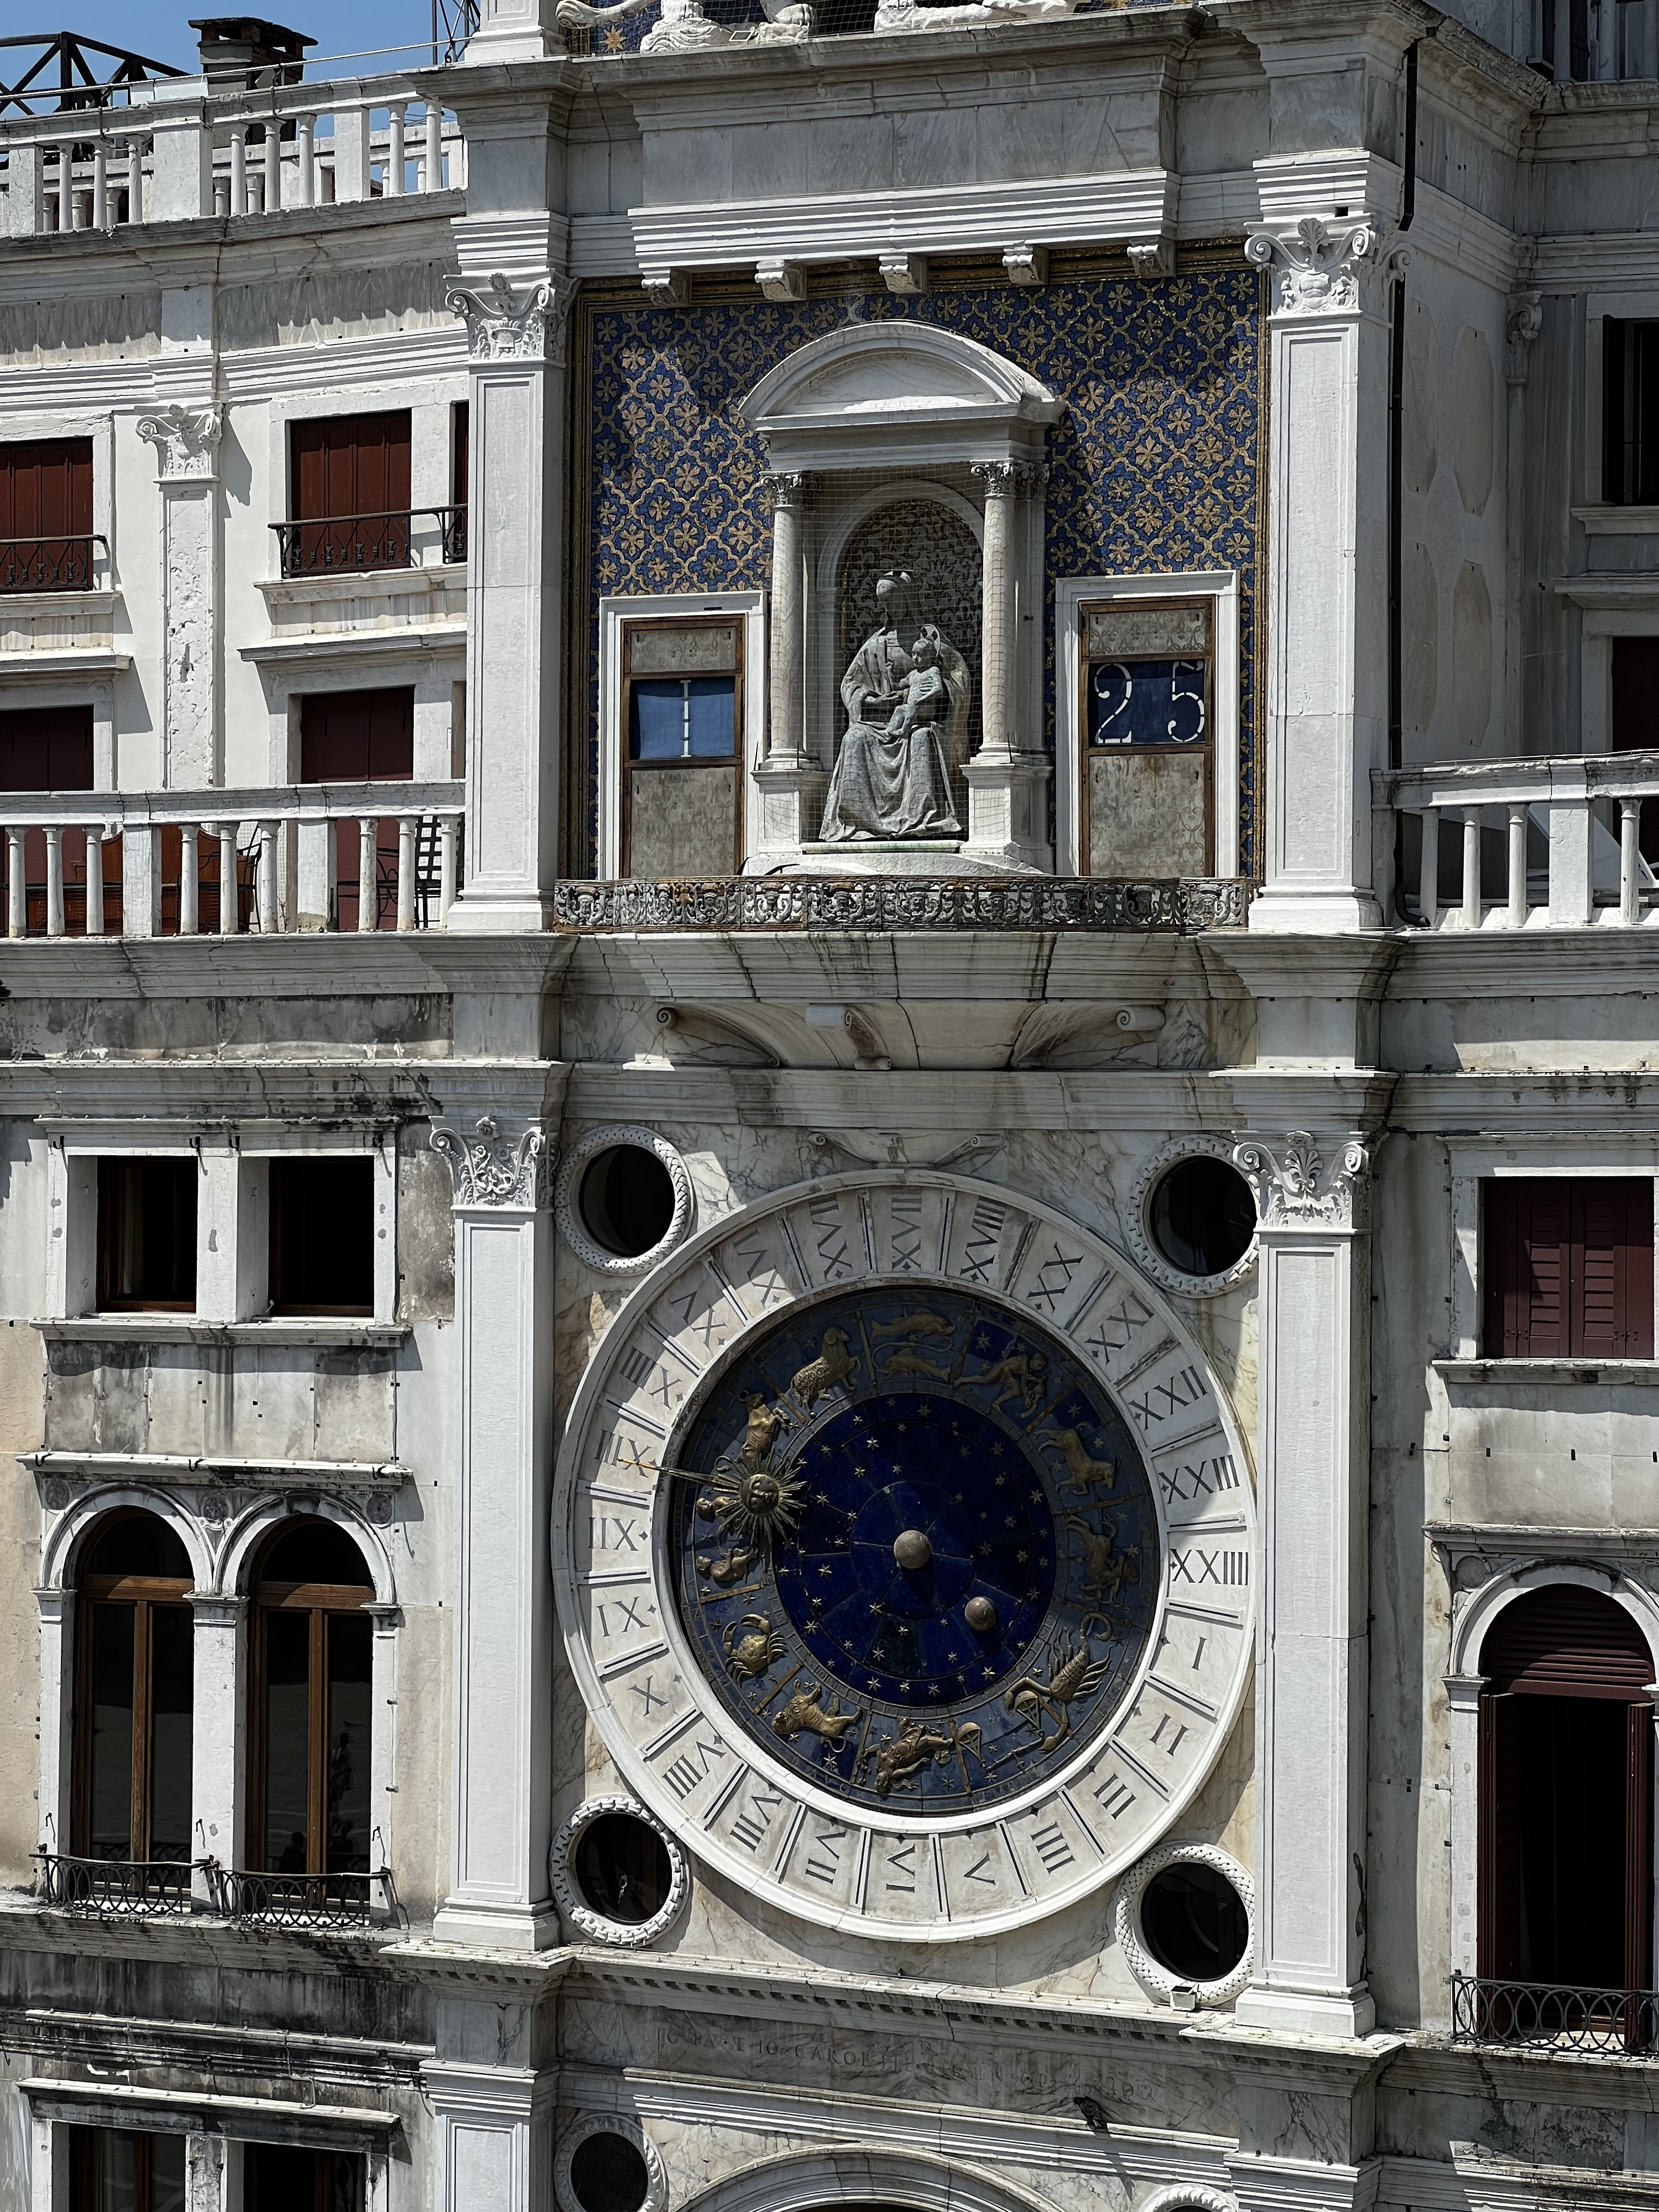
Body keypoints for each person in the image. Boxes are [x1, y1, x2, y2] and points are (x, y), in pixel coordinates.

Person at [819, 572, 969, 842]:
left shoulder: (932, 639)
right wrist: (873, 701)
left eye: (893, 600)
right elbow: (850, 683)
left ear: (908, 599)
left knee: (922, 737)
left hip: (923, 720)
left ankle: (924, 820)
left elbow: (959, 678)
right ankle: (862, 822)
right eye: (884, 602)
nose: (889, 608)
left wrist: (936, 695)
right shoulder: (877, 642)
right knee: (854, 738)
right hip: (882, 722)